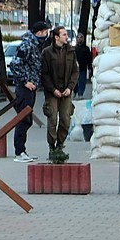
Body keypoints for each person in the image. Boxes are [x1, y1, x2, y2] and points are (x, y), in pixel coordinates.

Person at [10, 20, 52, 161]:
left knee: (27, 120)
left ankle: (23, 150)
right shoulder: (27, 45)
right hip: (25, 88)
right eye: (45, 32)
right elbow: (15, 65)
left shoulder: (35, 45)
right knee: (23, 119)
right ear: (39, 32)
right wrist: (25, 81)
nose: (46, 35)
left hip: (31, 87)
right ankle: (19, 152)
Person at [40, 26, 79, 154]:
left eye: (66, 34)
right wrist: (52, 89)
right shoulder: (47, 52)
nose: (67, 37)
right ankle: (52, 147)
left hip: (66, 92)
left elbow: (75, 71)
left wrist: (70, 88)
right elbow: (44, 74)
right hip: (52, 92)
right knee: (52, 120)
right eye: (64, 35)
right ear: (56, 37)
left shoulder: (71, 51)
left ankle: (60, 145)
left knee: (65, 120)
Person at [74, 31, 94, 99]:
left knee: (82, 81)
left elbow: (89, 59)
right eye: (78, 37)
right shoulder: (74, 49)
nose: (79, 39)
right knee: (75, 82)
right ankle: (74, 92)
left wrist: (90, 68)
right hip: (74, 69)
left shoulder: (86, 49)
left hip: (83, 68)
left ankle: (80, 94)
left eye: (81, 37)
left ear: (83, 39)